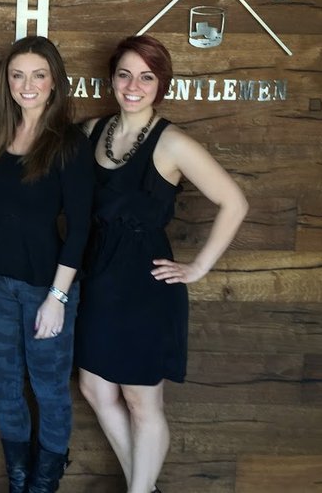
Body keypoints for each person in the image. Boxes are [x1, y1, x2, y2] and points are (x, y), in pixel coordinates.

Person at [75, 35, 248, 493]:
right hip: (97, 279)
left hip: (144, 287)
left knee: (141, 402)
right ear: (112, 79)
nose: (133, 86)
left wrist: (199, 267)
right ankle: (146, 487)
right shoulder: (91, 132)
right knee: (95, 389)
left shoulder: (172, 143)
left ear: (160, 84)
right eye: (125, 75)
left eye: (146, 77)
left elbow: (234, 202)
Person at [0, 37, 93, 493]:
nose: (28, 85)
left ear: (54, 83)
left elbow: (80, 228)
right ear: (7, 82)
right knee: (4, 389)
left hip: (48, 287)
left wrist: (58, 298)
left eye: (38, 75)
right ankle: (19, 480)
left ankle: (44, 485)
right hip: (0, 287)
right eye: (18, 75)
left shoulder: (69, 143)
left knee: (49, 390)